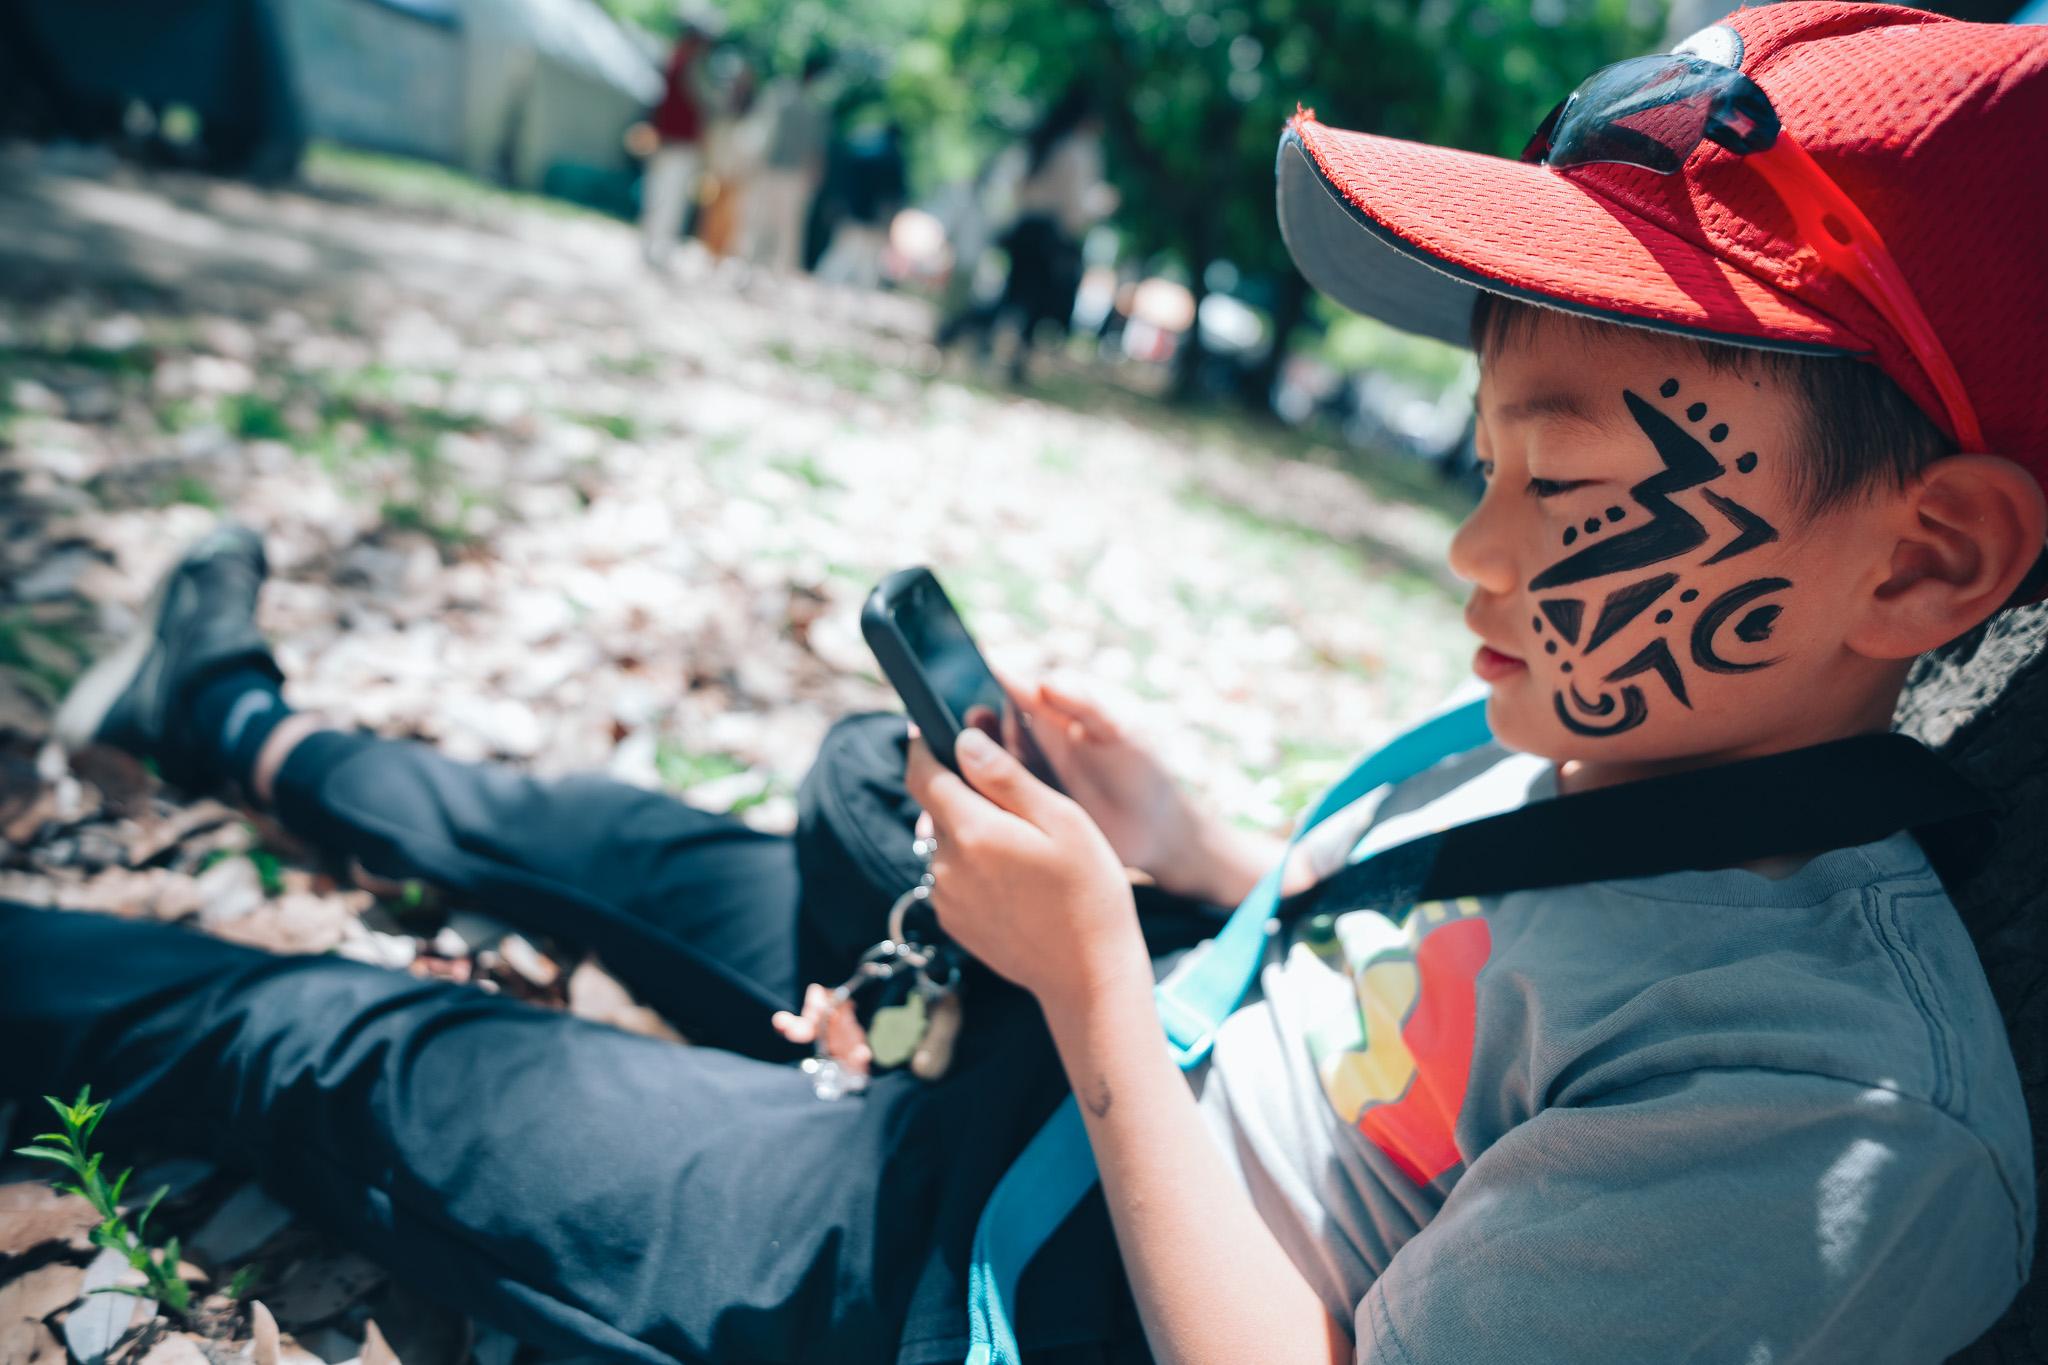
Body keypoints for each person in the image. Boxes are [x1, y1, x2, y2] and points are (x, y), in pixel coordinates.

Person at [5, 6, 2044, 1362]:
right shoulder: (1644, 724)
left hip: (999, 1265)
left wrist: (1085, 985)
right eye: (1483, 459)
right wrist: (1188, 853)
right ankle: (235, 721)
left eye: (1568, 484)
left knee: (351, 1047)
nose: (1474, 549)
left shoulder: (1828, 1123)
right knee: (702, 823)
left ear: (1925, 559)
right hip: (1118, 1052)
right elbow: (1436, 973)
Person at [937, 84, 1117, 383]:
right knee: (1033, 301)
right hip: (1050, 235)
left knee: (1014, 296)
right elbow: (1076, 203)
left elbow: (1012, 184)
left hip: (1024, 229)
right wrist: (1101, 204)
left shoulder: (1042, 142)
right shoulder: (1079, 149)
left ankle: (965, 330)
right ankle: (1008, 356)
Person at [741, 50, 833, 275]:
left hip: (781, 171)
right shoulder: (806, 104)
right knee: (777, 225)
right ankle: (761, 268)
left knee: (770, 223)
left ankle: (760, 268)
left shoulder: (785, 96)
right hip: (782, 171)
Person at [638, 23, 714, 269]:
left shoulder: (671, 61)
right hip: (680, 143)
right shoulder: (690, 67)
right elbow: (703, 105)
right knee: (670, 200)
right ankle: (659, 249)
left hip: (665, 139)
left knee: (658, 196)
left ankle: (651, 246)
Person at [815, 121, 909, 291]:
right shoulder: (894, 160)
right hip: (875, 219)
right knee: (867, 260)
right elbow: (894, 196)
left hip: (853, 214)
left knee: (844, 254)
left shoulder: (864, 152)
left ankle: (823, 284)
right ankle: (861, 290)